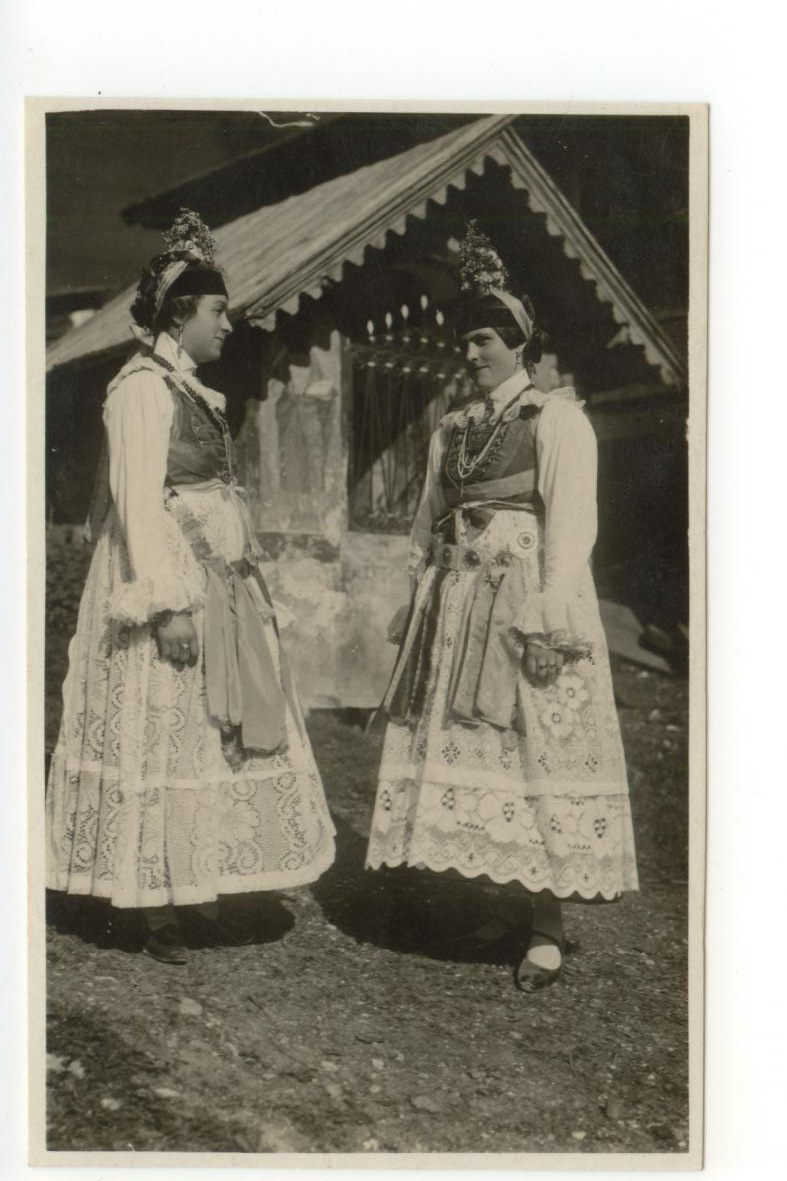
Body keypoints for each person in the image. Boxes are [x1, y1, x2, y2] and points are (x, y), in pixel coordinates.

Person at [46, 209, 336, 963]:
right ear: (181, 312)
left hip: (215, 582)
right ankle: (153, 912)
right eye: (218, 311)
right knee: (162, 731)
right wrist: (166, 603)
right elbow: (138, 503)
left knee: (204, 737)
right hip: (168, 583)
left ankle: (189, 885)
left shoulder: (191, 390)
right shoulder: (140, 389)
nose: (228, 326)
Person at [366, 222, 638, 990]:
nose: (471, 352)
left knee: (528, 746)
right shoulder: (452, 429)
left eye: (485, 338)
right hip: (456, 601)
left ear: (519, 341)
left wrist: (550, 614)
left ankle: (545, 926)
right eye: (466, 340)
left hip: (522, 601)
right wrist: (415, 593)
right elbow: (427, 518)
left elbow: (573, 522)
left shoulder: (555, 418)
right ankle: (503, 893)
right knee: (473, 740)